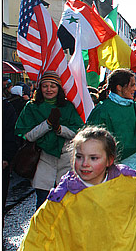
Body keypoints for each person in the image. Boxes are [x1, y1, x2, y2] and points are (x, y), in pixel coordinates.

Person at [14, 71, 85, 208]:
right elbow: (28, 135)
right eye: (45, 86)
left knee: (65, 206)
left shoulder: (68, 107)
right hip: (42, 159)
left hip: (66, 160)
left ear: (59, 88)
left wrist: (59, 129)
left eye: (53, 86)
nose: (49, 89)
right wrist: (47, 124)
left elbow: (78, 132)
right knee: (43, 204)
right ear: (40, 88)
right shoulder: (32, 107)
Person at [86, 68, 136, 178]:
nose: (135, 88)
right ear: (119, 88)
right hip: (108, 174)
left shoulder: (135, 108)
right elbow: (91, 143)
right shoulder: (102, 111)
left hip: (135, 171)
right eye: (132, 85)